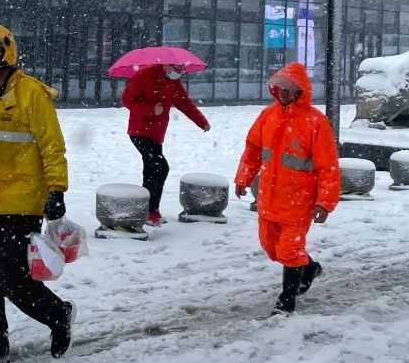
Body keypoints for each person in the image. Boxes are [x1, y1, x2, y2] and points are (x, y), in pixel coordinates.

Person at [0, 23, 75, 363]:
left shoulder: (31, 94)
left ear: (6, 53)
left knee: (14, 281)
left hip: (21, 205)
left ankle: (59, 315)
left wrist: (56, 190)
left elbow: (52, 145)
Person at [234, 61, 340, 314]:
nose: (282, 91)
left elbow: (328, 165)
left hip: (299, 198)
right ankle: (310, 268)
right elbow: (253, 150)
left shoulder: (316, 122)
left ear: (300, 91)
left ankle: (287, 301)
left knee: (289, 249)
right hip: (269, 196)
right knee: (271, 247)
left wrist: (325, 202)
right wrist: (243, 177)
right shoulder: (267, 116)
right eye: (279, 86)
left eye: (289, 87)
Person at [120, 63, 210, 224]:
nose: (179, 73)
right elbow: (127, 100)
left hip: (157, 133)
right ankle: (149, 210)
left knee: (152, 170)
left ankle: (149, 210)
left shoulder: (173, 81)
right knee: (159, 167)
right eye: (177, 69)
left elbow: (184, 103)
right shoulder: (144, 76)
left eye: (182, 69)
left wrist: (201, 121)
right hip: (140, 131)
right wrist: (150, 110)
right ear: (166, 64)